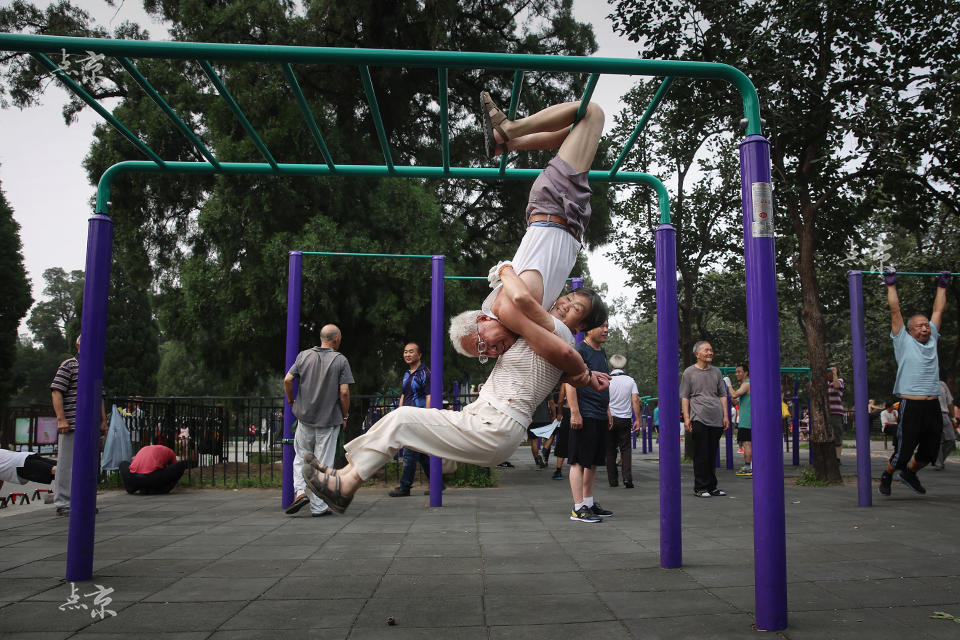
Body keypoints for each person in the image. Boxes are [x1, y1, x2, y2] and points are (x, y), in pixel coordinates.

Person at [301, 271, 609, 514]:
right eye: (569, 298)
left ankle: (346, 484)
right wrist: (585, 375)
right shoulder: (548, 333)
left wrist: (505, 268)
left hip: (498, 425)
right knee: (402, 423)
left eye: (576, 308)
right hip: (485, 417)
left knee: (403, 419)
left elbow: (515, 300)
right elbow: (568, 367)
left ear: (580, 324)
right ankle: (345, 474)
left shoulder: (558, 331)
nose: (566, 304)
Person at [452, 91, 605, 364]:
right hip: (563, 215)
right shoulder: (516, 321)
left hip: (557, 206)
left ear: (482, 319)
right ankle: (509, 143)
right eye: (484, 356)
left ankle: (509, 130)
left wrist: (504, 269)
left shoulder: (504, 307)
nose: (492, 350)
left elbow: (522, 298)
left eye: (482, 343)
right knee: (576, 128)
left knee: (592, 113)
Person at [878, 269, 949, 496]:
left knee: (929, 452)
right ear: (909, 330)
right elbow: (895, 311)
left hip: (932, 405)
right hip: (911, 404)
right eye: (919, 325)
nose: (925, 328)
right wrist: (891, 286)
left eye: (926, 325)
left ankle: (909, 473)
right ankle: (888, 475)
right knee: (904, 451)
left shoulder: (933, 338)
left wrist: (942, 286)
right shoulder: (902, 340)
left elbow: (938, 310)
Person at [284, 324, 354, 517]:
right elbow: (344, 391)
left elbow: (288, 380)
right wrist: (345, 415)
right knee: (323, 463)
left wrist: (291, 401)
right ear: (337, 339)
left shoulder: (303, 355)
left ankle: (299, 493)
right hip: (329, 419)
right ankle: (319, 506)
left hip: (305, 418)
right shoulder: (340, 360)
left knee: (300, 457)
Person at [50, 334, 108, 517]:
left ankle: (83, 499)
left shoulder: (94, 368)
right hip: (73, 423)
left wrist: (103, 420)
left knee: (88, 464)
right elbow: (57, 391)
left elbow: (99, 396)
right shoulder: (69, 365)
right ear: (78, 346)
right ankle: (64, 501)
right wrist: (61, 419)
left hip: (89, 426)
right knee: (67, 464)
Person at [564, 322, 612, 523]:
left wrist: (608, 410)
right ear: (589, 329)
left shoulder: (601, 352)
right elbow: (570, 381)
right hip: (584, 413)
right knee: (578, 461)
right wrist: (575, 411)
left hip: (599, 413)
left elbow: (603, 383)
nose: (606, 330)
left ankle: (589, 503)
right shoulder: (579, 350)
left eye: (607, 326)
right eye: (601, 326)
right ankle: (578, 508)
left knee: (592, 462)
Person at [680, 341, 730, 498]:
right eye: (706, 350)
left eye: (711, 350)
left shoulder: (716, 372)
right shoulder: (689, 373)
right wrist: (687, 418)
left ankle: (712, 486)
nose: (710, 352)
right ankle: (700, 487)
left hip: (716, 417)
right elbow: (685, 397)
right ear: (697, 354)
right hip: (698, 417)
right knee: (701, 453)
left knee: (711, 453)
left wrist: (726, 415)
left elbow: (723, 394)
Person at [389, 342, 432, 497]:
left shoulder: (425, 373)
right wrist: (399, 414)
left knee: (409, 452)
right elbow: (403, 395)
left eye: (411, 352)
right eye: (405, 352)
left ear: (419, 355)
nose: (407, 354)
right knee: (420, 453)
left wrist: (427, 417)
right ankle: (437, 483)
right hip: (406, 417)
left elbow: (429, 396)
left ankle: (405, 487)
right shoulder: (407, 373)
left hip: (418, 417)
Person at [606, 354, 641, 489]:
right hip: (625, 418)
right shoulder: (630, 381)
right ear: (624, 366)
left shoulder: (607, 380)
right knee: (625, 449)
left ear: (612, 366)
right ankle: (627, 478)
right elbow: (635, 400)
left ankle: (613, 480)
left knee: (609, 450)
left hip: (609, 418)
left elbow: (604, 401)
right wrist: (637, 418)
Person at [118, 445, 185, 494]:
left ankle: (131, 487)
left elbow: (133, 466)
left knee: (123, 463)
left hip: (133, 478)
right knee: (181, 465)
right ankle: (162, 489)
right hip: (152, 479)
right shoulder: (170, 452)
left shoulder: (144, 449)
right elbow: (173, 467)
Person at [731, 363, 752, 477]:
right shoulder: (747, 385)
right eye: (736, 372)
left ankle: (748, 467)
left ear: (746, 372)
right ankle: (751, 466)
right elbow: (737, 402)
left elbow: (734, 394)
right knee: (748, 443)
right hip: (747, 418)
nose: (737, 374)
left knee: (747, 444)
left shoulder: (747, 383)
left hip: (747, 420)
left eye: (739, 371)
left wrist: (728, 386)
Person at [933, 376, 956, 470]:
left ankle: (939, 460)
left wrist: (953, 417)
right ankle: (938, 463)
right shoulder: (924, 383)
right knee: (937, 440)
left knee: (951, 440)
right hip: (932, 414)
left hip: (945, 414)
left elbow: (949, 402)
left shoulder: (942, 384)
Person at [827, 366, 846, 461]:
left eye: (830, 372)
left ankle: (837, 458)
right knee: (827, 434)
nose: (828, 374)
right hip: (826, 413)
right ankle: (829, 457)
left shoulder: (840, 381)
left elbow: (836, 386)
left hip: (836, 412)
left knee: (837, 434)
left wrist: (835, 373)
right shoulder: (824, 383)